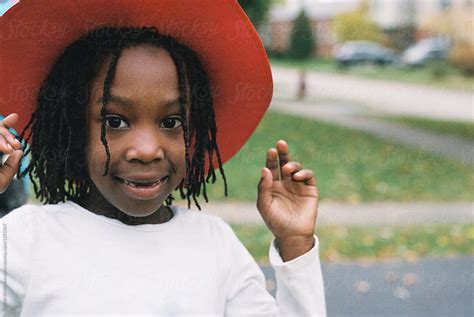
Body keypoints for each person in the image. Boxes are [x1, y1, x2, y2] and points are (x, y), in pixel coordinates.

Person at [0, 1, 326, 315]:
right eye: (116, 121)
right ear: (72, 131)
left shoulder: (214, 245)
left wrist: (295, 244)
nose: (146, 150)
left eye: (171, 122)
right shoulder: (25, 239)